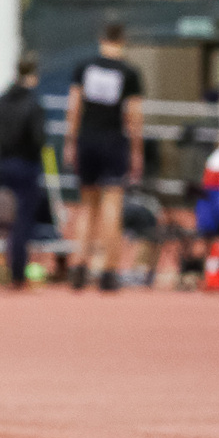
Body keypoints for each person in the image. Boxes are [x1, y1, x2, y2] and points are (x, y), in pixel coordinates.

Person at [66, 17, 146, 292]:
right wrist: (137, 150)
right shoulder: (129, 72)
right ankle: (108, 271)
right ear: (123, 41)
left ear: (101, 40)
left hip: (87, 139)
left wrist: (70, 141)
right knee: (112, 205)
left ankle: (78, 266)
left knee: (87, 205)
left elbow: (74, 107)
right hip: (113, 141)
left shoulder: (85, 67)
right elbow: (134, 115)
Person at [0, 53, 49, 289]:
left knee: (7, 220)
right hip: (26, 165)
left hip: (3, 164)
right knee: (23, 220)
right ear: (34, 75)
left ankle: (6, 267)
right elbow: (40, 138)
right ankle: (18, 273)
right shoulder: (33, 102)